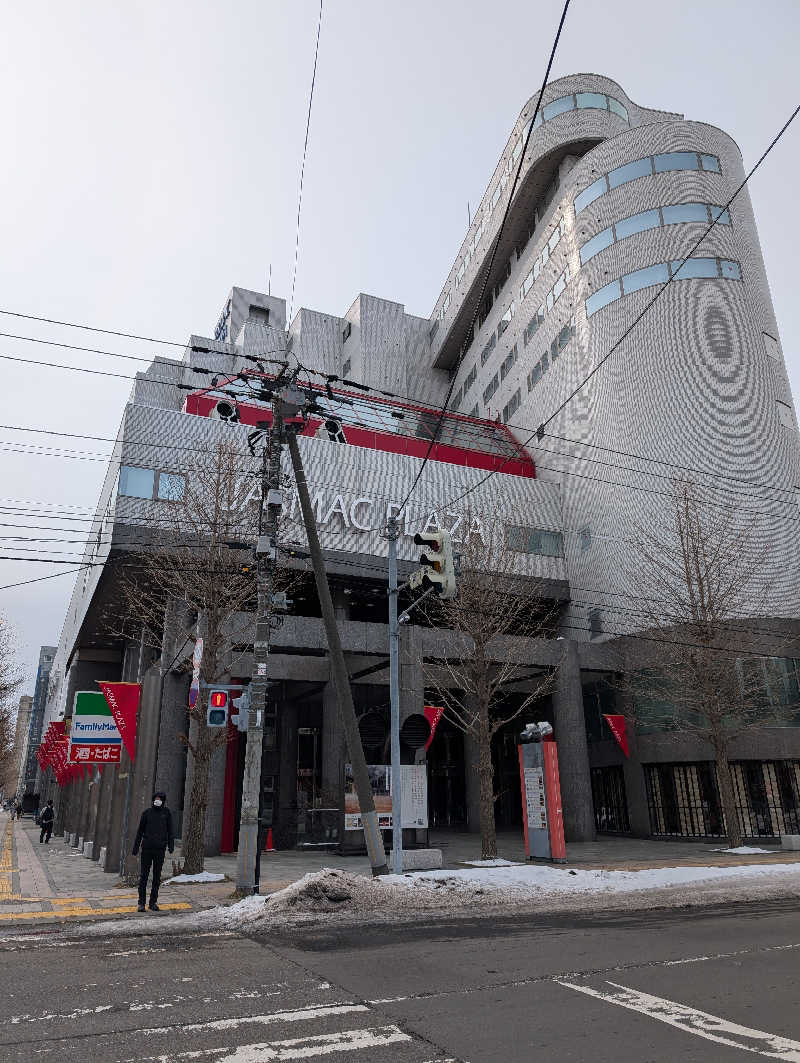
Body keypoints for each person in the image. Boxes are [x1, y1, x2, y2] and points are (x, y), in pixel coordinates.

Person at [131, 791, 174, 913]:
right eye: (156, 798)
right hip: (147, 848)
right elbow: (140, 831)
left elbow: (170, 831)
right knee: (144, 876)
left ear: (163, 801)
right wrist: (135, 847)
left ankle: (153, 902)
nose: (157, 800)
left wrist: (170, 845)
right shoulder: (147, 813)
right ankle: (141, 903)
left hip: (160, 849)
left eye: (160, 799)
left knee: (156, 877)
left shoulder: (167, 813)